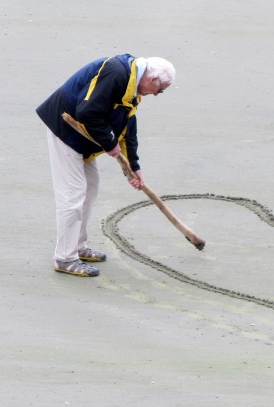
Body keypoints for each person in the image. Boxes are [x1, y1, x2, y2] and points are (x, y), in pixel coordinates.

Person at [36, 54, 175, 277]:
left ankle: (78, 247)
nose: (157, 95)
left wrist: (133, 167)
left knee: (90, 188)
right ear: (152, 79)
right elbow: (86, 112)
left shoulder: (132, 87)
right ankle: (65, 258)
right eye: (160, 90)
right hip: (65, 132)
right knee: (72, 196)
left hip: (83, 139)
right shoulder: (117, 73)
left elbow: (128, 127)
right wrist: (110, 144)